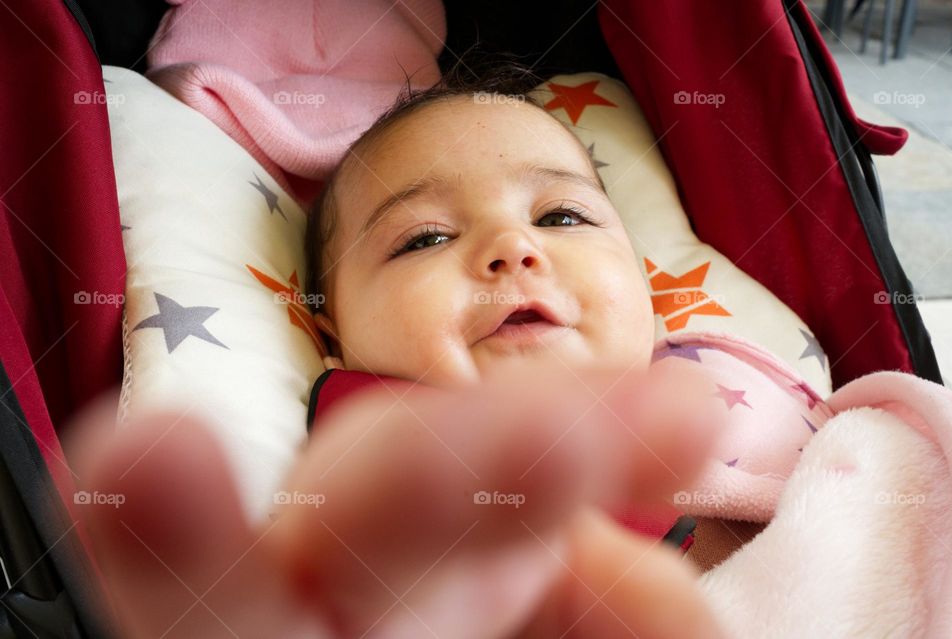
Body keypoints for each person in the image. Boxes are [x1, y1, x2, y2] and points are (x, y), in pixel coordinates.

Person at [68, 67, 727, 638]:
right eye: (426, 238)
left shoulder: (757, 429)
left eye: (560, 217)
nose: (512, 245)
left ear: (646, 286)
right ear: (333, 337)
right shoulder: (370, 493)